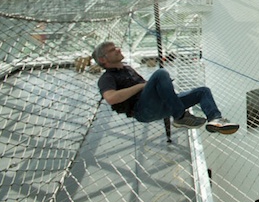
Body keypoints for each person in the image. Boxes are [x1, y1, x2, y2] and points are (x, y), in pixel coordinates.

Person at [92, 41, 239, 134]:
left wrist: (157, 86)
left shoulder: (128, 69)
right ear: (103, 59)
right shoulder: (106, 78)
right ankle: (180, 117)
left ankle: (215, 119)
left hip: (162, 105)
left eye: (116, 47)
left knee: (202, 91)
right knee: (161, 73)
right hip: (142, 110)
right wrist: (141, 86)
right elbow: (111, 98)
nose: (118, 49)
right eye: (112, 50)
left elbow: (146, 87)